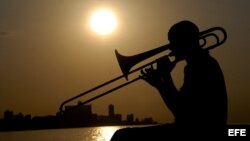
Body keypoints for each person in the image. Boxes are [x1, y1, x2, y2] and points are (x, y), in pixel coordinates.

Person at [111, 20, 227, 140]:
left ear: (183, 41)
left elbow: (181, 111)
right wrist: (159, 84)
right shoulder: (199, 63)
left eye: (172, 42)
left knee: (122, 136)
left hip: (198, 131)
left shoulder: (201, 65)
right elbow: (181, 107)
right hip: (194, 129)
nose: (170, 48)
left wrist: (166, 75)